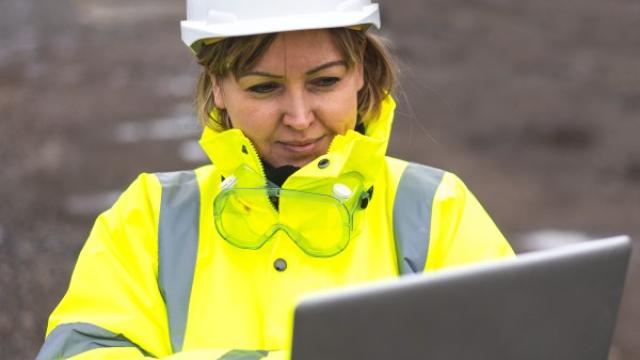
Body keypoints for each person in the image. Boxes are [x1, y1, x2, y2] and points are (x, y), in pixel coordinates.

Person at [37, 1, 514, 359]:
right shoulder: (150, 218)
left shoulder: (435, 210)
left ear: (362, 75)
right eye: (264, 87)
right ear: (218, 88)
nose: (300, 117)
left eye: (324, 81)